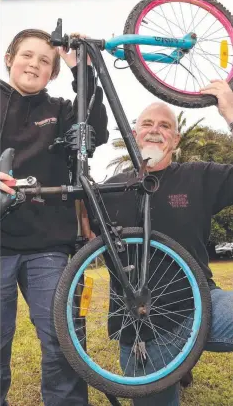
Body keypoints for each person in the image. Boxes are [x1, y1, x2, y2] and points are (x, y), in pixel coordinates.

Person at [85, 80, 233, 406]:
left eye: (165, 125)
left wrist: (229, 112)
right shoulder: (108, 190)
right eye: (147, 124)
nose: (155, 130)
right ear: (133, 133)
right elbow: (79, 232)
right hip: (141, 331)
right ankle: (175, 372)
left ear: (176, 139)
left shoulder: (199, 176)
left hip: (201, 306)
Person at [0, 28, 108, 406]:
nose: (34, 64)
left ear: (53, 73)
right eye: (27, 55)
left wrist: (81, 67)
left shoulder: (61, 110)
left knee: (63, 340)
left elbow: (95, 129)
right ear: (9, 59)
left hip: (48, 246)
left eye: (45, 60)